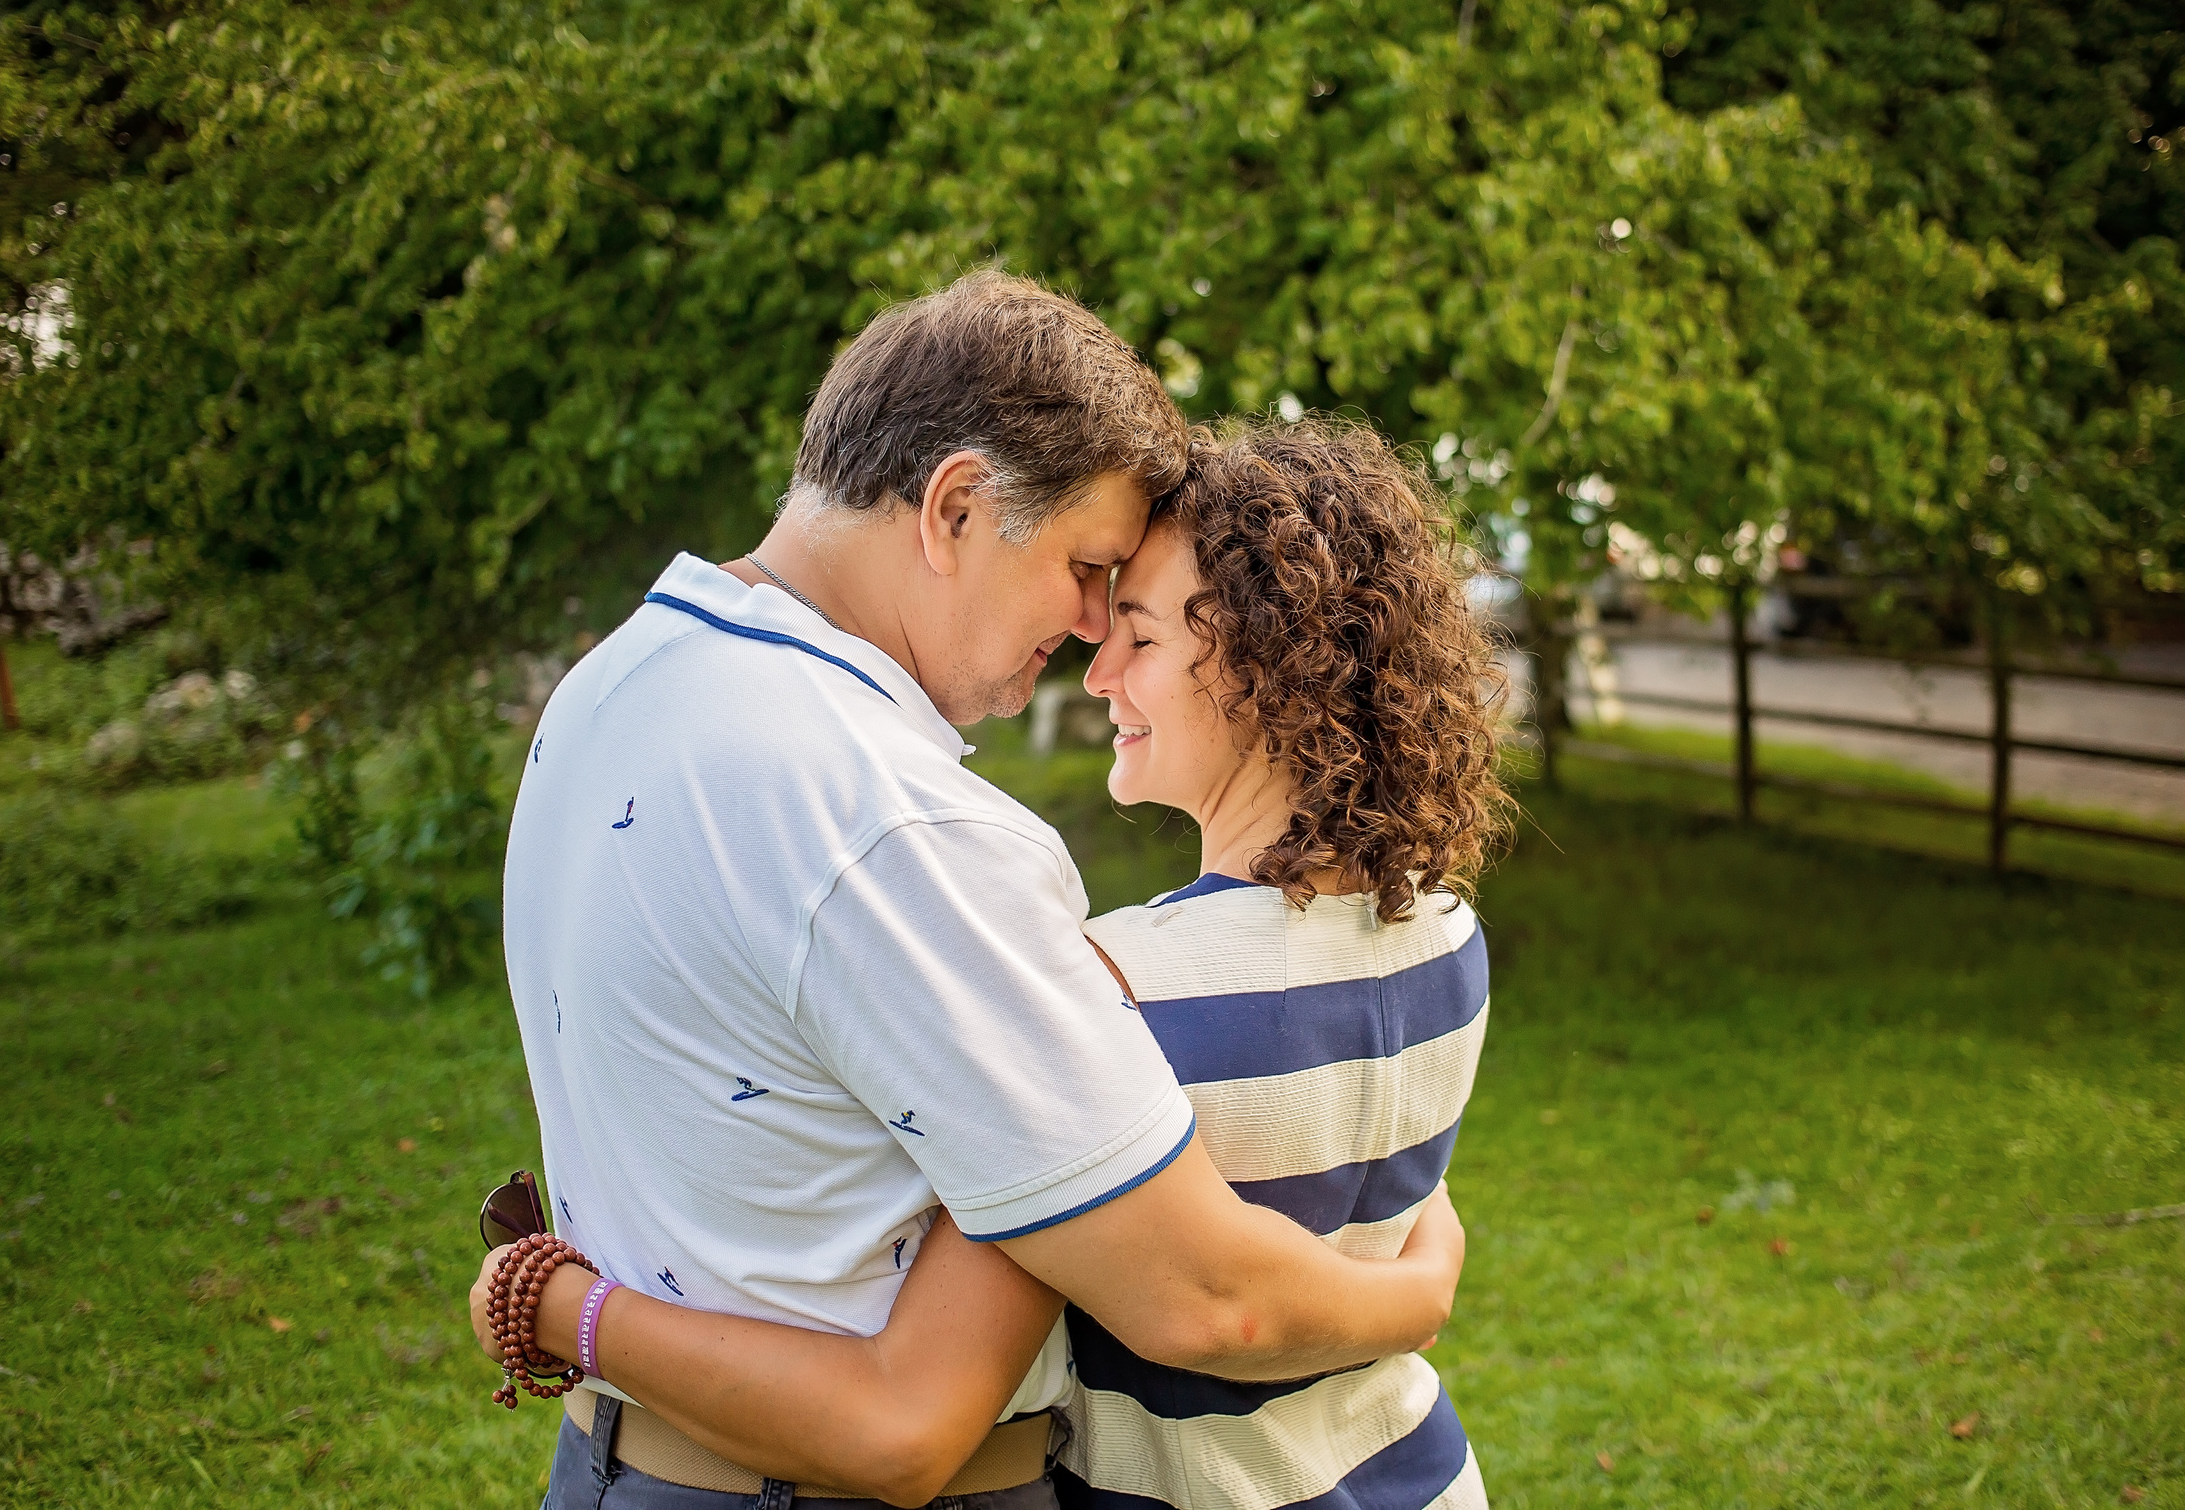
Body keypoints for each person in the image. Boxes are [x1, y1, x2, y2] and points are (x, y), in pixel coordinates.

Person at [485, 273, 1466, 1510]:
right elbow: (1200, 1295)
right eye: (1088, 564)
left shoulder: (618, 684)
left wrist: (566, 1311)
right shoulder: (899, 824)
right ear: (954, 508)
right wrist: (1420, 1292)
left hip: (617, 1467)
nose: (1094, 625)